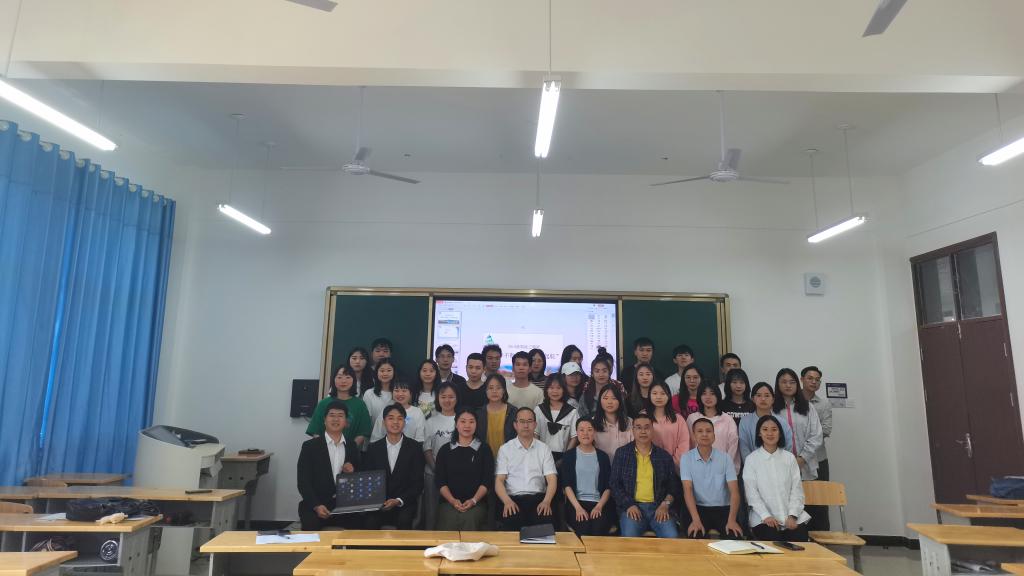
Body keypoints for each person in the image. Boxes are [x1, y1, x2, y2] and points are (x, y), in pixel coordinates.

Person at [609, 412, 679, 538]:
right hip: (633, 507)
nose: (643, 431)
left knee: (672, 537)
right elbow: (614, 484)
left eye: (647, 427)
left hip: (659, 507)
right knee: (629, 537)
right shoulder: (622, 454)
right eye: (638, 428)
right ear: (633, 430)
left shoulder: (664, 456)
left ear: (652, 430)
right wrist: (629, 505)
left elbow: (673, 486)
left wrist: (665, 504)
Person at [742, 414, 811, 542]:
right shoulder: (751, 460)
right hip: (762, 519)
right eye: (765, 429)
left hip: (790, 517)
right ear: (759, 434)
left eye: (774, 429)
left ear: (780, 433)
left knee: (799, 540)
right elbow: (751, 494)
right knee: (773, 541)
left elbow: (797, 490)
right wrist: (766, 516)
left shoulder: (789, 458)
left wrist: (792, 515)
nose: (770, 433)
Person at [297, 401, 360, 530]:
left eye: (340, 416)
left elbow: (361, 479)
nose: (336, 419)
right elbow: (303, 481)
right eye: (332, 415)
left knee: (362, 525)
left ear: (346, 422)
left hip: (344, 506)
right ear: (324, 420)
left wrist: (353, 471)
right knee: (311, 525)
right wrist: (316, 505)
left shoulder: (352, 446)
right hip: (316, 504)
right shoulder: (310, 447)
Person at [494, 407, 558, 531]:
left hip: (539, 499)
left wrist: (546, 501)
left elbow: (552, 479)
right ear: (515, 425)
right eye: (522, 421)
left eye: (529, 421)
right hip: (513, 499)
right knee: (511, 523)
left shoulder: (544, 448)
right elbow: (499, 480)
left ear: (535, 424)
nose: (526, 425)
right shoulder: (505, 449)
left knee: (545, 524)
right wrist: (507, 501)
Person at [363, 404, 426, 530]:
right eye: (391, 418)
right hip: (379, 504)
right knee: (369, 521)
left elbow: (418, 483)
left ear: (404, 422)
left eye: (400, 418)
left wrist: (398, 500)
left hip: (404, 503)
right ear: (383, 422)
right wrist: (379, 501)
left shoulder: (415, 448)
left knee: (404, 520)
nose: (395, 422)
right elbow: (367, 480)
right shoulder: (373, 448)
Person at [680, 418, 743, 539]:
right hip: (698, 509)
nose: (704, 434)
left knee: (735, 537)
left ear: (714, 436)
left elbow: (734, 491)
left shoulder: (725, 458)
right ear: (694, 436)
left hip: (723, 509)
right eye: (700, 431)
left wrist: (732, 520)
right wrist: (696, 520)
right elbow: (687, 490)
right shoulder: (686, 458)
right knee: (695, 536)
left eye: (708, 431)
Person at [434, 408, 494, 530]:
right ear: (456, 424)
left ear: (476, 425)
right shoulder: (445, 450)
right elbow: (440, 481)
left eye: (471, 422)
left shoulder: (484, 449)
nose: (467, 425)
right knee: (449, 518)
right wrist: (452, 501)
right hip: (448, 502)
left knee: (470, 518)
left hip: (477, 503)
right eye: (463, 421)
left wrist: (473, 500)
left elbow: (487, 481)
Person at [559, 418, 612, 536]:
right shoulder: (569, 456)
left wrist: (599, 507)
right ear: (577, 433)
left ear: (594, 432)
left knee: (598, 529)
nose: (585, 433)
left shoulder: (603, 456)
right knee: (584, 527)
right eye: (581, 430)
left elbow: (608, 487)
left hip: (599, 503)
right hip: (576, 503)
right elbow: (567, 485)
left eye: (589, 430)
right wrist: (578, 508)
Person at [774, 368, 823, 481]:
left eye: (792, 382)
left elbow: (816, 435)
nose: (788, 385)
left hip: (805, 464)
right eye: (784, 382)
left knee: (808, 492)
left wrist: (802, 458)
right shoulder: (772, 408)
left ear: (797, 383)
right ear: (778, 384)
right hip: (780, 465)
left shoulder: (808, 406)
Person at [306, 364, 372, 448]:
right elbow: (315, 431)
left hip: (351, 452)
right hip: (324, 451)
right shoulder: (323, 403)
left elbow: (363, 432)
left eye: (348, 377)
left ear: (354, 380)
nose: (343, 381)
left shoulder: (360, 405)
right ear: (334, 380)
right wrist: (326, 449)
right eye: (339, 377)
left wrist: (349, 449)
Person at [423, 383, 459, 531]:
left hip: (456, 474)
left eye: (451, 397)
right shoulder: (430, 421)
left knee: (453, 511)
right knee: (431, 512)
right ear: (438, 398)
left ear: (457, 398)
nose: (447, 400)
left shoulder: (461, 420)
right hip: (433, 473)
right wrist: (437, 470)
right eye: (443, 397)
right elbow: (427, 448)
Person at [802, 365, 832, 531]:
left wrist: (805, 434)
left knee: (820, 502)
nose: (814, 382)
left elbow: (826, 430)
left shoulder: (824, 404)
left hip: (819, 459)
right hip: (797, 460)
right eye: (810, 378)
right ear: (802, 379)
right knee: (799, 501)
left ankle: (822, 539)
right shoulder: (791, 401)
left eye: (817, 380)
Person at [686, 382, 740, 472]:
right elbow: (689, 446)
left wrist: (725, 468)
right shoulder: (692, 419)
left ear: (718, 396)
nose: (708, 397)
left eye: (712, 393)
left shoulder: (727, 419)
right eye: (704, 394)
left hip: (722, 470)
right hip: (698, 469)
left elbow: (733, 446)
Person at [739, 382, 794, 461]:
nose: (763, 399)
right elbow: (744, 449)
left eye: (767, 395)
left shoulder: (782, 422)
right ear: (753, 399)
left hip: (780, 465)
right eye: (759, 395)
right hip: (753, 465)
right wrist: (753, 465)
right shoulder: (745, 422)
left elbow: (788, 447)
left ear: (773, 399)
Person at [534, 374, 579, 461]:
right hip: (541, 456)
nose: (555, 391)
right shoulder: (539, 410)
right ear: (546, 390)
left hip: (564, 455)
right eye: (551, 388)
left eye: (559, 388)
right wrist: (539, 454)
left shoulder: (572, 412)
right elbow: (535, 434)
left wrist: (565, 458)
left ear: (564, 390)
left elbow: (574, 437)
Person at [474, 374, 517, 458]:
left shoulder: (513, 412)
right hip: (485, 459)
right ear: (486, 391)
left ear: (504, 390)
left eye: (498, 388)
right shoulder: (479, 413)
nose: (494, 391)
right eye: (490, 388)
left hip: (509, 459)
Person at [647, 381, 689, 467]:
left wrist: (672, 463)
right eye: (654, 393)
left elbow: (684, 443)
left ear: (669, 396)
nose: (658, 397)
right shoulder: (643, 417)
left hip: (674, 467)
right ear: (649, 396)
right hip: (648, 466)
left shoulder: (678, 419)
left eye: (663, 393)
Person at [577, 350, 623, 419]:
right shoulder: (585, 396)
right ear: (592, 374)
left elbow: (622, 414)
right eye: (597, 371)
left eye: (604, 371)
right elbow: (582, 420)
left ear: (609, 372)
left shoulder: (617, 393)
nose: (601, 374)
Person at [593, 385, 633, 460]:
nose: (609, 402)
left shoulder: (629, 422)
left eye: (614, 398)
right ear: (600, 401)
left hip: (625, 465)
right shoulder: (592, 423)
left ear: (620, 400)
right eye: (605, 398)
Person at [362, 358, 396, 434]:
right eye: (382, 371)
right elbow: (366, 420)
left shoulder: (398, 394)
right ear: (377, 373)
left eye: (389, 370)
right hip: (373, 436)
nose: (385, 374)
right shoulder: (369, 393)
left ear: (394, 372)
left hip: (395, 436)